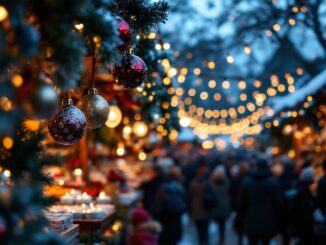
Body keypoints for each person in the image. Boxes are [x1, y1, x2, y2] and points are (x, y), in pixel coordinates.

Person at [237, 159, 282, 245]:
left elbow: (240, 204)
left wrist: (240, 220)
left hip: (250, 221)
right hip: (268, 220)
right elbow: (278, 205)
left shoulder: (247, 182)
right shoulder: (272, 183)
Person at [154, 166, 186, 245]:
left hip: (165, 222)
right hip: (175, 222)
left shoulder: (162, 190)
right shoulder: (179, 188)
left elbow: (158, 207)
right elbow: (183, 205)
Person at [189, 160, 210, 245]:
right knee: (205, 227)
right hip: (206, 207)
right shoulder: (207, 183)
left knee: (199, 227)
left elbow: (189, 196)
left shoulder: (193, 183)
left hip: (196, 207)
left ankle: (201, 241)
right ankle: (206, 240)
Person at [209, 166, 231, 245]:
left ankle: (219, 238)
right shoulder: (226, 181)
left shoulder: (211, 182)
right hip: (224, 206)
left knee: (217, 223)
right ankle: (222, 238)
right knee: (222, 224)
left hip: (215, 205)